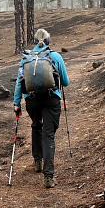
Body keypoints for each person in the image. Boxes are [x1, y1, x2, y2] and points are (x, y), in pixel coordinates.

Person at [13, 28, 70, 188]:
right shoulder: (55, 56)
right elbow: (65, 82)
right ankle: (48, 177)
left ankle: (37, 161)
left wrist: (16, 103)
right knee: (48, 134)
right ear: (48, 41)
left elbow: (19, 82)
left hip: (32, 100)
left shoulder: (26, 58)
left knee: (36, 125)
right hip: (51, 99)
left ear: (35, 41)